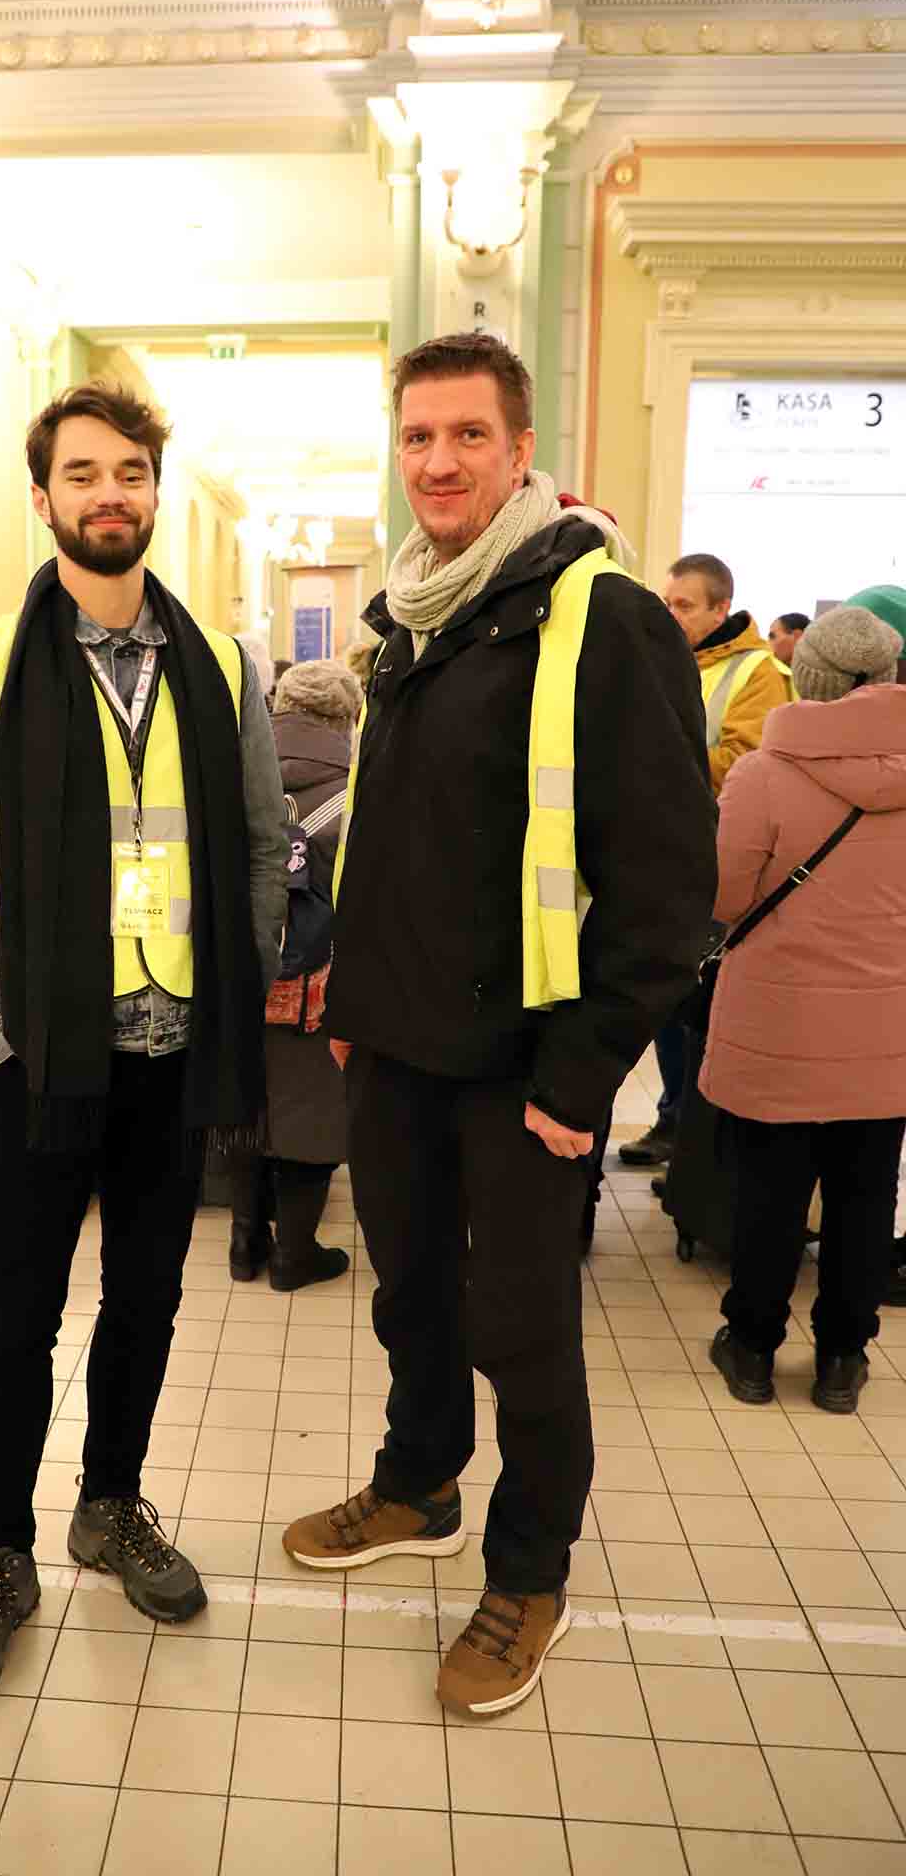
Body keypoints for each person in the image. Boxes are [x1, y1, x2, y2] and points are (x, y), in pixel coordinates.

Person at [281, 331, 716, 1719]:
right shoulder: (408, 620)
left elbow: (666, 885)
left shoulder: (601, 613)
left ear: (520, 450)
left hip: (527, 1068)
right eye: (418, 437)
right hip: (398, 1048)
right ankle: (421, 1485)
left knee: (520, 1331)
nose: (441, 461)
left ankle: (531, 1572)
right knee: (407, 1295)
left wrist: (585, 1075)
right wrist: (352, 1000)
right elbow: (398, 842)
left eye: (469, 435)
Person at [0, 379, 289, 1716]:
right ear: (46, 495)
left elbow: (257, 850)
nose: (108, 493)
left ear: (154, 490)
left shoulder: (223, 665)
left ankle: (108, 1507)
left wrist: (234, 992)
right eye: (82, 473)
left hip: (173, 1051)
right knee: (19, 1315)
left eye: (129, 471)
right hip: (45, 1060)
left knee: (149, 1301)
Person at [704, 605, 906, 1415]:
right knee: (865, 1196)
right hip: (888, 1030)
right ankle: (842, 1358)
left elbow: (722, 896)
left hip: (778, 1024)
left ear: (809, 678)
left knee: (770, 1196)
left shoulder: (763, 774)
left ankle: (752, 1345)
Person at [620, 552, 793, 1167]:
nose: (672, 614)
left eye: (685, 605)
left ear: (723, 607)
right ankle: (675, 1120)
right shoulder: (672, 663)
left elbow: (746, 764)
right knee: (665, 999)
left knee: (697, 1009)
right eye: (668, 602)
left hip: (717, 865)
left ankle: (694, 1139)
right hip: (662, 860)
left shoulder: (757, 673)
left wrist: (653, 763)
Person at [229, 657, 359, 1291]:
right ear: (348, 717)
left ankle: (244, 1240)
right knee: (310, 1110)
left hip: (236, 972)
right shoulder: (356, 788)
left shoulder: (234, 771)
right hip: (318, 984)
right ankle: (295, 1254)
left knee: (244, 1101)